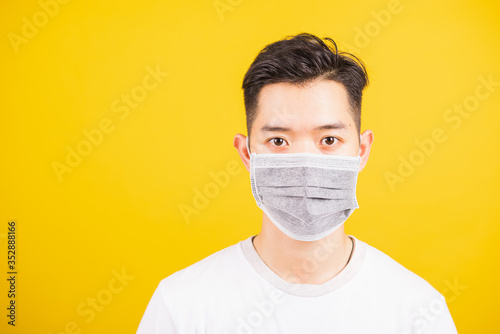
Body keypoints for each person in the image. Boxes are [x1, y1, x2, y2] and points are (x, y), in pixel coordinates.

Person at [136, 32, 458, 333]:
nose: (305, 162)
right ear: (247, 153)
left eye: (329, 139)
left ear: (361, 151)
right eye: (278, 141)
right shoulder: (181, 307)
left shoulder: (419, 313)